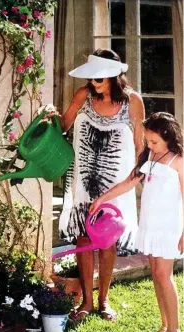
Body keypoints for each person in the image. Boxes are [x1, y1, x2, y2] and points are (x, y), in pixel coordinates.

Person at [58, 49, 145, 322]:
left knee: (107, 241)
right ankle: (85, 301)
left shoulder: (132, 101)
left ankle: (103, 300)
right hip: (83, 179)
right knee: (84, 238)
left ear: (113, 75)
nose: (94, 81)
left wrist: (140, 174)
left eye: (99, 77)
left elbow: (140, 144)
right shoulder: (83, 95)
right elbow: (63, 124)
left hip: (114, 183)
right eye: (92, 76)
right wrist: (48, 116)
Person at [90, 112, 183, 332]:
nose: (150, 145)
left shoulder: (178, 162)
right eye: (148, 141)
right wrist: (102, 199)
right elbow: (128, 182)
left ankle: (175, 329)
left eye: (154, 141)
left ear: (168, 137)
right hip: (150, 224)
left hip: (169, 226)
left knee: (163, 275)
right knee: (156, 275)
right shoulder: (150, 157)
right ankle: (164, 325)